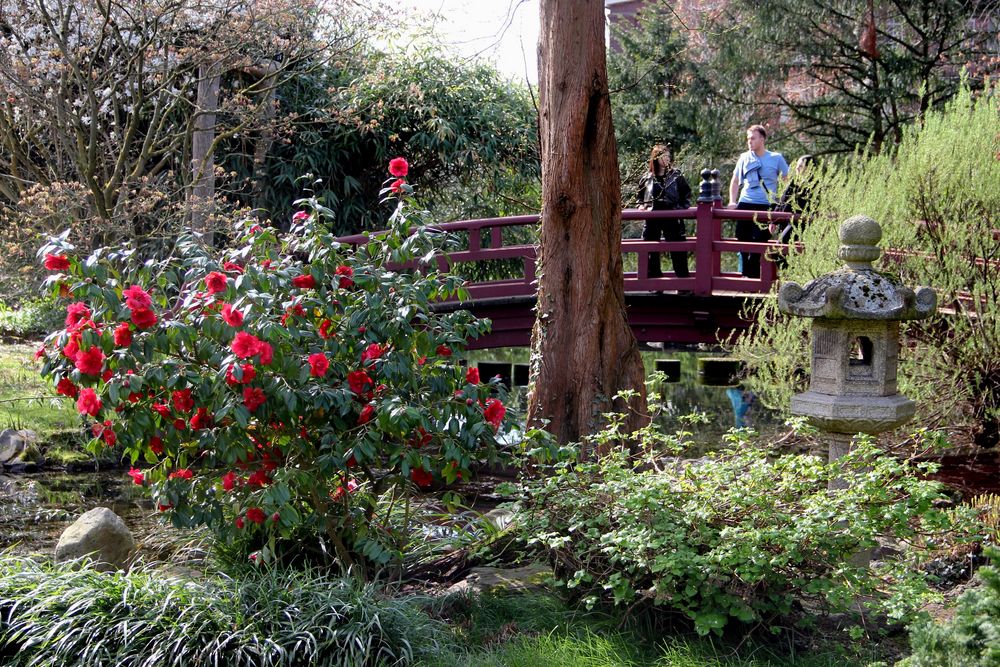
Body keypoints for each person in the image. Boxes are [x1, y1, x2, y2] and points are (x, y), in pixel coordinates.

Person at [728, 125, 789, 278]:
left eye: (753, 138)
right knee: (741, 237)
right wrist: (732, 201)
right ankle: (747, 275)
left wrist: (780, 207)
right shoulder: (744, 157)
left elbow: (787, 182)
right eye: (748, 139)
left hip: (766, 205)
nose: (749, 141)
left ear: (762, 139)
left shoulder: (776, 158)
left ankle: (751, 277)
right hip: (745, 202)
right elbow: (735, 181)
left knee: (758, 239)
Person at [637, 144, 691, 278]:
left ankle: (683, 282)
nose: (667, 159)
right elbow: (639, 197)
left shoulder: (676, 175)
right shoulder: (647, 177)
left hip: (672, 215)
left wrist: (679, 209)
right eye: (663, 156)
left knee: (678, 248)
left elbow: (687, 194)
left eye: (668, 156)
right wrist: (641, 206)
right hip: (652, 215)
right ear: (656, 158)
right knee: (651, 249)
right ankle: (655, 281)